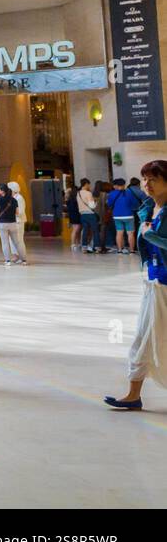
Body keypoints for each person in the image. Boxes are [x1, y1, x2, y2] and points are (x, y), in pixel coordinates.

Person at [105, 160, 167, 410]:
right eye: (144, 179)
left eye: (154, 179)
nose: (147, 184)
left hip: (164, 283)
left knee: (151, 339)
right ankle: (133, 394)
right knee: (143, 338)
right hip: (154, 283)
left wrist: (149, 234)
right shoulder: (148, 208)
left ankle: (133, 395)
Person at [0, 183, 24, 266]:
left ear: (1, 191)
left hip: (2, 223)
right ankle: (23, 259)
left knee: (5, 243)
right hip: (13, 223)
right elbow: (17, 212)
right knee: (17, 242)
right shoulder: (14, 200)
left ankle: (8, 261)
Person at [110, 177, 140, 255]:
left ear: (116, 185)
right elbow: (135, 204)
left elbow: (109, 204)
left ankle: (120, 250)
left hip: (117, 216)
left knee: (119, 233)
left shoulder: (112, 193)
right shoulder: (129, 192)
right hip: (129, 215)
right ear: (124, 185)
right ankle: (132, 251)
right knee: (130, 233)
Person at [77, 177, 98, 252]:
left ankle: (84, 247)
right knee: (95, 230)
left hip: (82, 215)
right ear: (86, 184)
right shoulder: (88, 193)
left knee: (85, 230)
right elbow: (92, 206)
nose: (89, 186)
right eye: (89, 185)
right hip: (90, 214)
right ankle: (97, 247)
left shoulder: (78, 193)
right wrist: (96, 202)